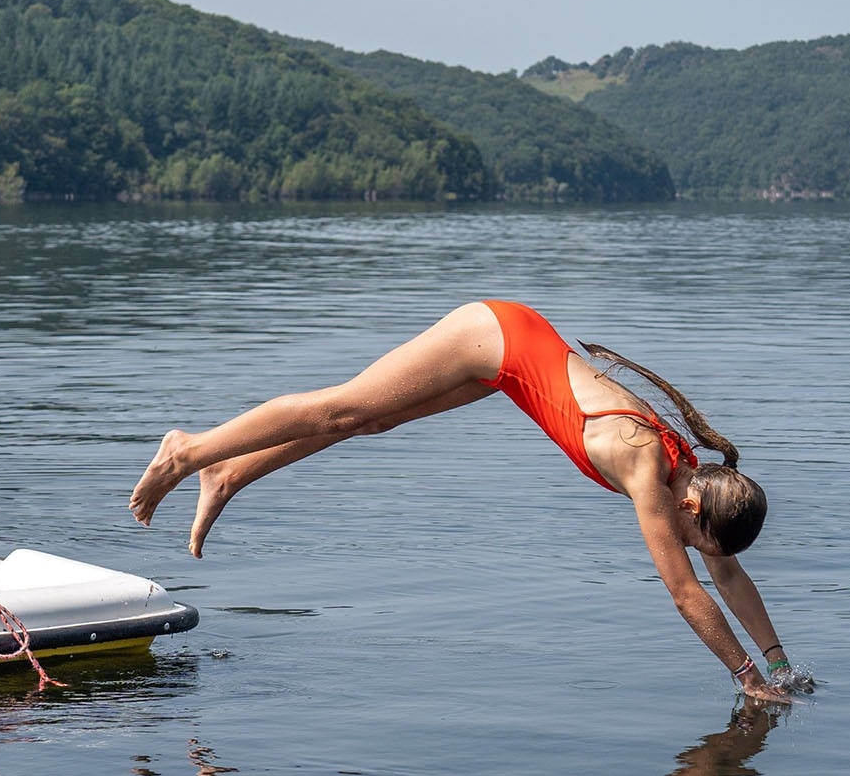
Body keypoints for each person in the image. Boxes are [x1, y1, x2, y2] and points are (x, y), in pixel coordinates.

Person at [129, 300, 808, 703]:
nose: (698, 553)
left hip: (510, 362)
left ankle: (229, 475)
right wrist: (747, 677)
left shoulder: (698, 482)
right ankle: (191, 451)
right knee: (342, 409)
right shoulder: (647, 469)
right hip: (493, 336)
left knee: (373, 421)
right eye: (699, 542)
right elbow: (689, 594)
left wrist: (781, 663)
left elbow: (724, 573)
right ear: (692, 513)